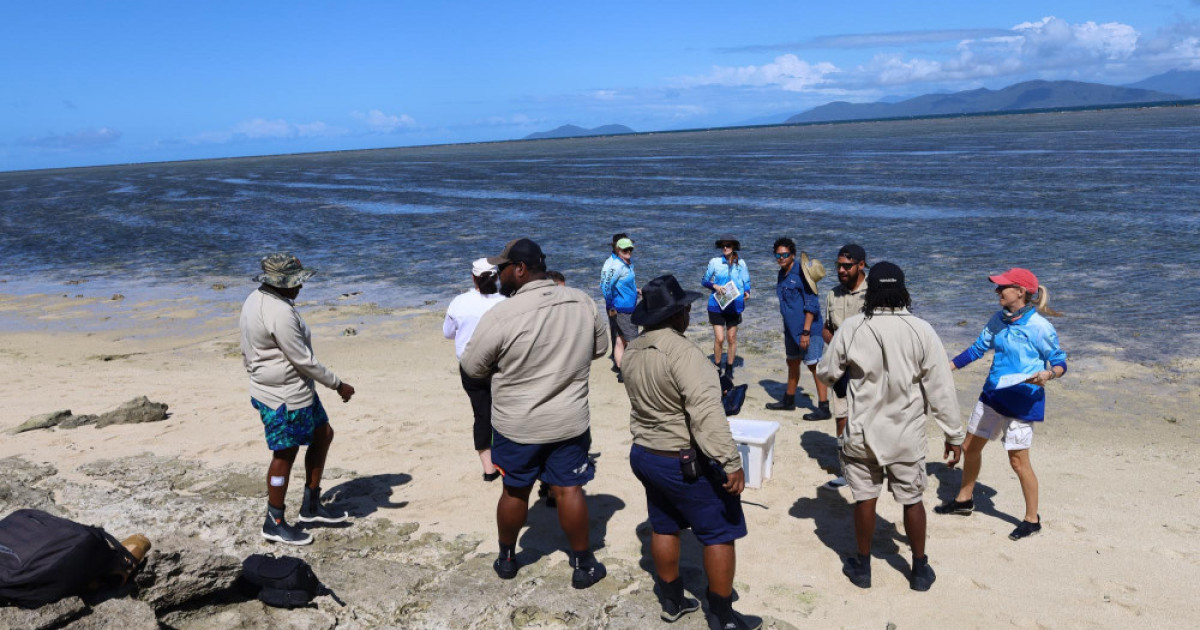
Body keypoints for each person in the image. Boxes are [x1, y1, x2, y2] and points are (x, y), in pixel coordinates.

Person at [460, 238, 610, 589]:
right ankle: (583, 563)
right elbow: (600, 349)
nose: (499, 275)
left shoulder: (502, 314)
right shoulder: (582, 301)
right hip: (569, 420)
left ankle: (508, 558)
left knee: (515, 491)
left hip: (518, 424)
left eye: (503, 268)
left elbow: (472, 366)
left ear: (521, 269)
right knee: (570, 489)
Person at [816, 262, 964, 591]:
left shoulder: (853, 327)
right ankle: (920, 569)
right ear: (902, 290)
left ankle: (864, 567)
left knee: (865, 499)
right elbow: (942, 389)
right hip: (906, 436)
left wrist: (846, 381)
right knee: (912, 501)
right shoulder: (922, 330)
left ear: (871, 293)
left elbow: (825, 371)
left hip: (861, 434)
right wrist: (954, 435)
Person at [623, 275, 759, 630]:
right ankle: (722, 615)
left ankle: (671, 600)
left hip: (645, 452)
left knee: (664, 523)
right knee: (720, 531)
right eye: (685, 308)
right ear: (677, 314)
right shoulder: (685, 353)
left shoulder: (633, 350)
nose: (689, 313)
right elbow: (706, 417)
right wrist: (731, 463)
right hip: (681, 458)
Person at [934, 268, 1067, 541]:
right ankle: (964, 500)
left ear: (1020, 292)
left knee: (1018, 463)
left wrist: (1048, 374)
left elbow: (1060, 362)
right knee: (970, 447)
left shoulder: (1040, 327)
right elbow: (976, 349)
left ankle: (1032, 520)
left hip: (1022, 402)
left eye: (1003, 287)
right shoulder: (998, 319)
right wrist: (946, 367)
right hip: (992, 395)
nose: (997, 291)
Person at [239, 252, 356, 546]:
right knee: (284, 454)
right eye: (296, 282)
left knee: (323, 433)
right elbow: (304, 360)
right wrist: (338, 384)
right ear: (280, 283)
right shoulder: (279, 312)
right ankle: (274, 520)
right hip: (283, 396)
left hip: (294, 390)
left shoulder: (256, 299)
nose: (300, 287)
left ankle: (311, 506)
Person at [443, 258, 506, 481]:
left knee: (481, 415)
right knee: (506, 413)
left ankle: (489, 470)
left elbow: (448, 333)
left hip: (470, 367)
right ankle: (508, 462)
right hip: (501, 366)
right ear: (497, 277)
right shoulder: (505, 301)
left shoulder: (459, 302)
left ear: (473, 278)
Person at [820, 244, 869, 489]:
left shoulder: (874, 293)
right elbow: (826, 328)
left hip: (868, 369)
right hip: (840, 368)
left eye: (846, 266)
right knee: (841, 418)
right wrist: (837, 345)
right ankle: (847, 471)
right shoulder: (832, 294)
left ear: (861, 265)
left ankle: (871, 468)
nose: (841, 270)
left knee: (868, 419)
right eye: (838, 265)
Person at [765, 238, 828, 416]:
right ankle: (789, 400)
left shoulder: (803, 274)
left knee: (814, 366)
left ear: (792, 255)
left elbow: (812, 304)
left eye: (784, 254)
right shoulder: (781, 273)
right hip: (790, 330)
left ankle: (824, 407)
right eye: (777, 255)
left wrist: (806, 332)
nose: (780, 258)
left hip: (808, 330)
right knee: (792, 362)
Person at [702, 236, 751, 379]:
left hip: (734, 305)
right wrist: (714, 286)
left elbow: (746, 281)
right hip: (716, 305)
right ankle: (717, 367)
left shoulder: (741, 263)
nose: (725, 248)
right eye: (723, 246)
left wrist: (747, 291)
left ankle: (729, 368)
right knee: (719, 338)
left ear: (734, 247)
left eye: (728, 245)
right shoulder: (714, 262)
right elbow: (704, 280)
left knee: (732, 337)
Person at [600, 234, 639, 378]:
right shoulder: (615, 265)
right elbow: (605, 286)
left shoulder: (624, 262)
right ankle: (630, 371)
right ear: (617, 249)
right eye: (625, 249)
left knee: (619, 340)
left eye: (630, 249)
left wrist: (636, 290)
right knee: (633, 341)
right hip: (622, 309)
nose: (628, 252)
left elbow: (622, 283)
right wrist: (611, 306)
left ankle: (622, 370)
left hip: (624, 306)